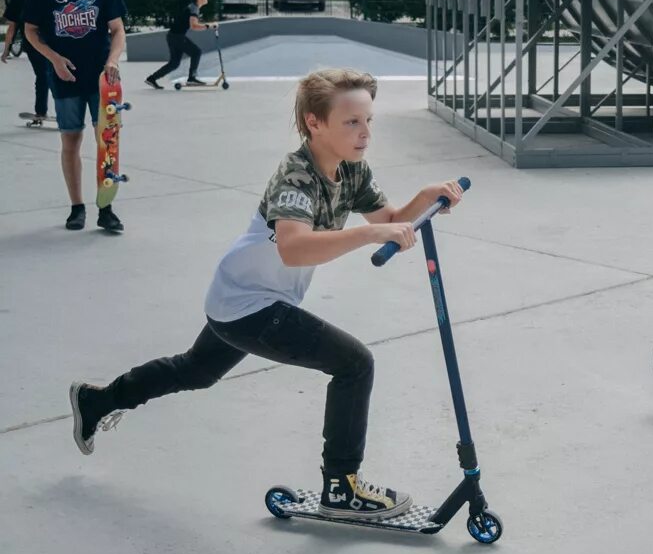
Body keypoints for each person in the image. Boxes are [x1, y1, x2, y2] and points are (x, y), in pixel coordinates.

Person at [68, 68, 466, 520]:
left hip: (237, 296)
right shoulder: (295, 176)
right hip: (251, 307)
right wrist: (368, 235)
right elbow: (295, 249)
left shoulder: (351, 169)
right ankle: (341, 486)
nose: (365, 133)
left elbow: (388, 219)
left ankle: (97, 400)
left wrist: (424, 197)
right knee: (355, 364)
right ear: (315, 123)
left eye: (368, 120)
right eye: (352, 122)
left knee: (195, 371)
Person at [23, 0, 127, 232]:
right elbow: (30, 31)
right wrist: (53, 59)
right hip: (65, 78)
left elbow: (118, 29)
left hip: (101, 79)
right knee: (71, 140)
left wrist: (113, 60)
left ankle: (106, 207)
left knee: (106, 143)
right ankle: (77, 207)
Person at [145, 0, 216, 89]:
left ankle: (151, 79)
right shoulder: (194, 8)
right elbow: (194, 26)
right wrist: (208, 26)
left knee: (174, 63)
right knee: (196, 52)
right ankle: (192, 78)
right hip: (177, 37)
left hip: (173, 36)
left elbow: (192, 25)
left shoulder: (193, 7)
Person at [3, 0, 51, 123]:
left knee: (42, 77)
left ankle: (41, 111)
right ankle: (68, 109)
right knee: (55, 76)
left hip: (32, 45)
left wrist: (6, 51)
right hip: (52, 43)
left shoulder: (16, 2)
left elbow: (11, 29)